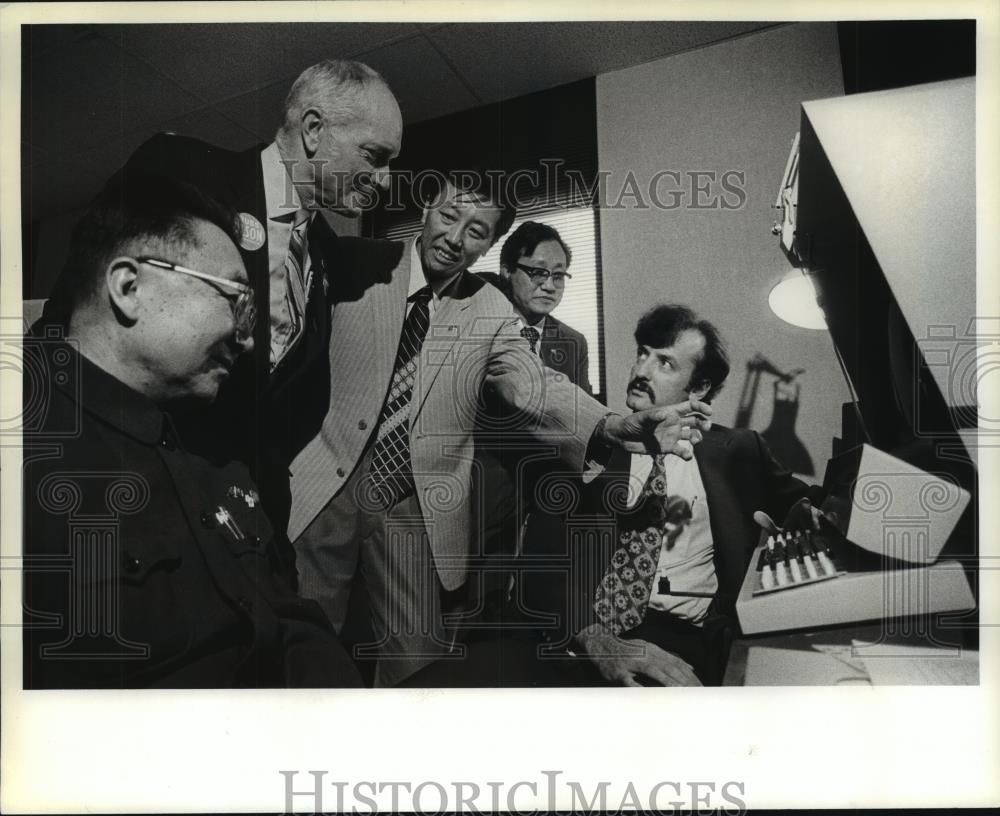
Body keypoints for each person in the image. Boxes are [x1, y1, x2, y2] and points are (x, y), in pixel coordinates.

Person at [288, 178, 713, 687]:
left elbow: (532, 384)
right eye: (449, 217)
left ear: (487, 246)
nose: (454, 238)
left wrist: (612, 425)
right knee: (303, 652)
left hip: (413, 499)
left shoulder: (489, 309)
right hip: (327, 484)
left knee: (423, 667)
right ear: (428, 207)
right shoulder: (356, 260)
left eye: (475, 231)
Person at [22, 175, 361, 689]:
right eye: (234, 300)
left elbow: (289, 619)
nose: (248, 341)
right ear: (130, 288)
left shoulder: (215, 442)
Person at [44, 59, 404, 536]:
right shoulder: (184, 170)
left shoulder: (325, 253)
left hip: (243, 520)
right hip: (128, 493)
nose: (385, 179)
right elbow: (74, 306)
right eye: (374, 156)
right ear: (314, 129)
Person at [559, 304, 824, 686]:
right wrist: (594, 637)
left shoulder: (739, 450)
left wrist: (806, 516)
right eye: (642, 354)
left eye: (665, 363)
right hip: (596, 633)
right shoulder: (591, 446)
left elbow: (809, 502)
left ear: (698, 388)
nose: (641, 371)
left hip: (690, 635)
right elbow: (543, 563)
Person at [473, 221, 591, 630]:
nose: (550, 284)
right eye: (538, 272)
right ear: (507, 270)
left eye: (559, 275)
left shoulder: (572, 342)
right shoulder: (478, 316)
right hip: (476, 481)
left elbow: (575, 415)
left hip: (539, 488)